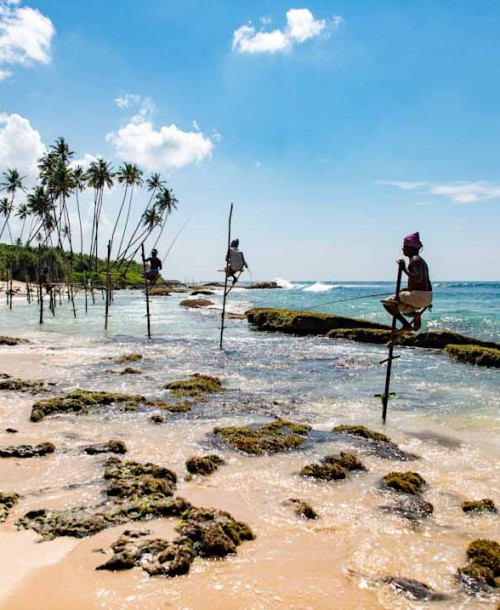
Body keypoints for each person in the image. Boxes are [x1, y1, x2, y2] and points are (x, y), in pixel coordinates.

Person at [383, 232, 432, 332]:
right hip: (426, 297)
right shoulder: (421, 261)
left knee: (387, 303)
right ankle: (415, 315)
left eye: (405, 246)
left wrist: (403, 269)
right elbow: (422, 281)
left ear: (412, 248)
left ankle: (406, 325)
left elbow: (417, 278)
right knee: (403, 309)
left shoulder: (415, 259)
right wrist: (408, 289)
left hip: (418, 297)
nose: (403, 249)